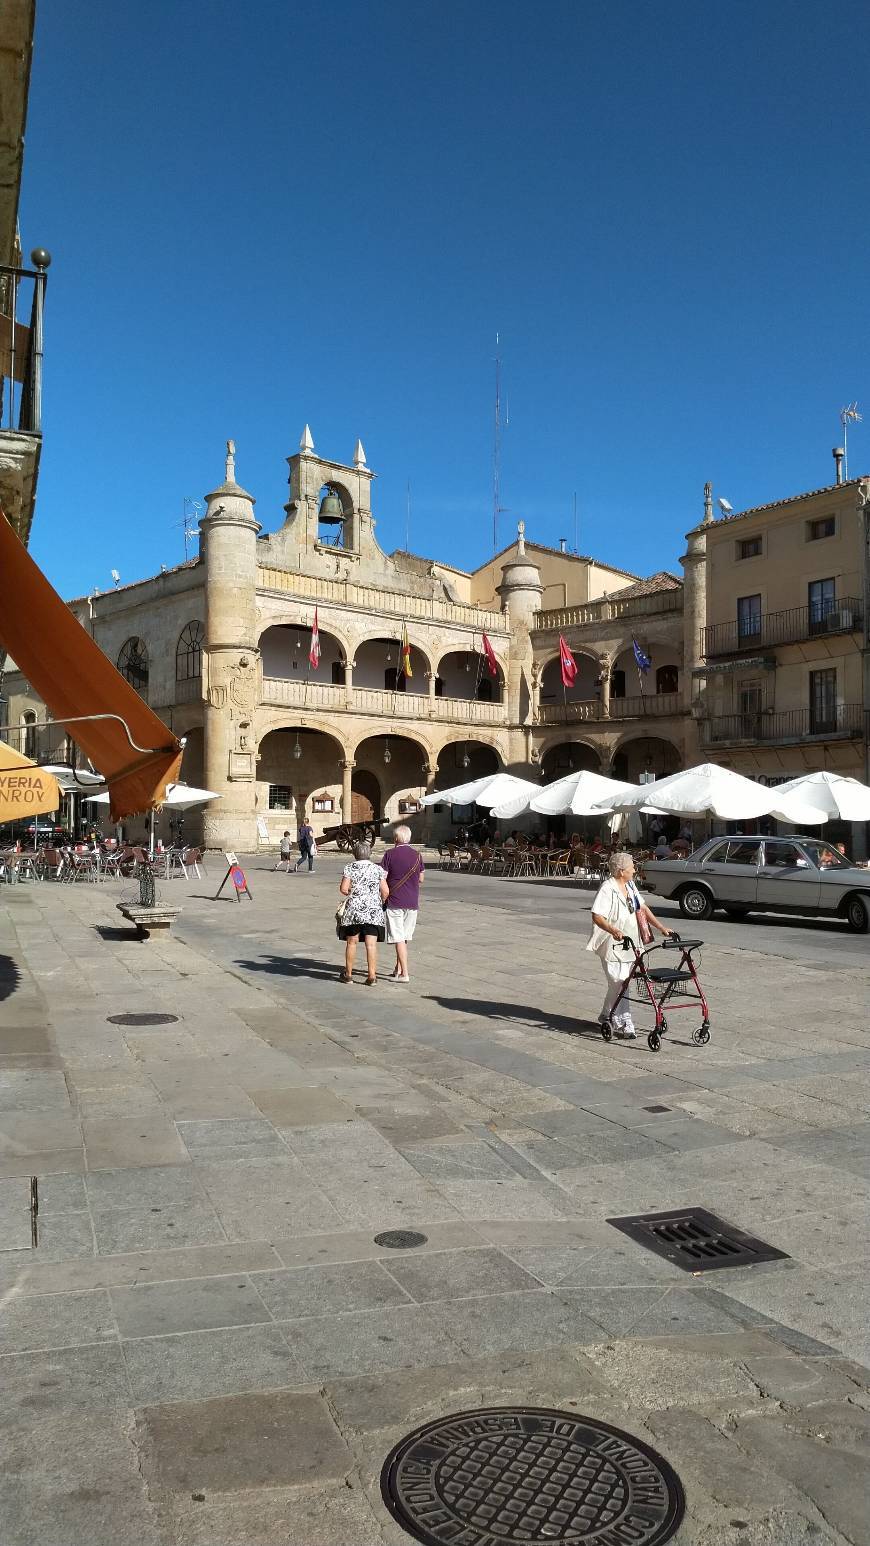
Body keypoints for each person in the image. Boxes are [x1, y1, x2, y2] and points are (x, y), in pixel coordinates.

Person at [588, 851, 672, 1038]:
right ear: (620, 871)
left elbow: (643, 908)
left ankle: (606, 1014)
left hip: (633, 942)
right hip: (612, 943)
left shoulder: (631, 885)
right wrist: (613, 930)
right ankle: (624, 1021)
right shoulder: (607, 888)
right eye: (632, 867)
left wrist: (661, 927)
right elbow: (597, 916)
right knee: (619, 982)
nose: (635, 870)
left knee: (622, 982)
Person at [338, 840, 389, 984]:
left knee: (352, 942)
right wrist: (380, 901)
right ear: (369, 853)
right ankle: (372, 976)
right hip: (372, 911)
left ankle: (348, 975)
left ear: (355, 854)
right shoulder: (378, 869)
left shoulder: (349, 867)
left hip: (354, 911)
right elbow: (385, 891)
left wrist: (354, 892)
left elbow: (343, 889)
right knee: (371, 944)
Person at [380, 824, 425, 983]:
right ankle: (397, 968)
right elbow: (421, 878)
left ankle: (405, 973)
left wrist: (383, 896)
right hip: (412, 901)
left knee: (398, 937)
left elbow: (382, 877)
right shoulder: (418, 855)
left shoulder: (389, 854)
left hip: (395, 901)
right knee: (403, 937)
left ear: (396, 839)